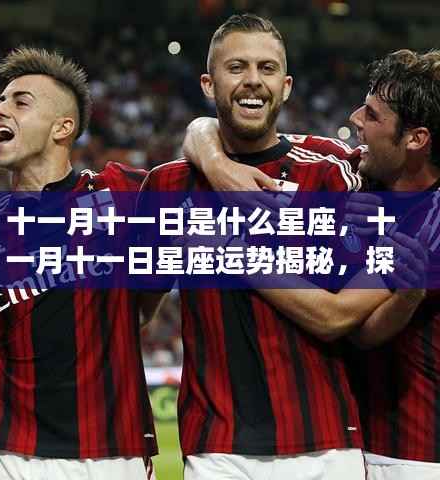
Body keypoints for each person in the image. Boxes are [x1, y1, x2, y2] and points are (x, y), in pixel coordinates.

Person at [138, 13, 406, 480]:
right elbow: (137, 309)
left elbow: (349, 315)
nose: (252, 80)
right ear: (208, 84)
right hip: (217, 449)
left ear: (286, 86)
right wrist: (210, 155)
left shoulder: (333, 170)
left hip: (324, 444)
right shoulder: (168, 187)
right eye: (236, 67)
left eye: (266, 68)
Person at [184, 48, 440, 479]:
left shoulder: (430, 220)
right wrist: (217, 163)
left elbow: (344, 322)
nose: (355, 119)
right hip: (363, 441)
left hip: (416, 452)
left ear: (416, 139)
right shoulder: (360, 173)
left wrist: (228, 251)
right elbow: (205, 127)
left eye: (372, 115)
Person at [0, 46, 163, 480]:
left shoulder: (122, 193)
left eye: (20, 102)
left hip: (114, 455)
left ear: (63, 127)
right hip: (11, 456)